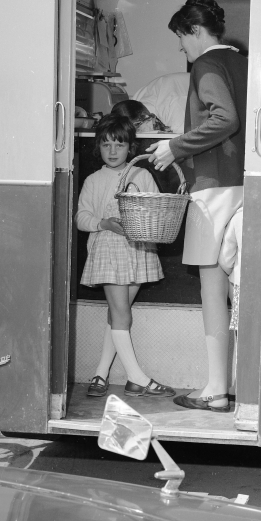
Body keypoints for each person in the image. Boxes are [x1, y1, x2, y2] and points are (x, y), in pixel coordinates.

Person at [148, 0, 247, 412]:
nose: (181, 49)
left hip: (212, 185)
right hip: (244, 181)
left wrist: (175, 147)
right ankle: (237, 382)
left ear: (193, 31)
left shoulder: (206, 64)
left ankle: (216, 390)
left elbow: (224, 119)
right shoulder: (243, 61)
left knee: (212, 286)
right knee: (239, 282)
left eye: (180, 38)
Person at [76, 114, 174, 399]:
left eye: (119, 145)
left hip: (137, 250)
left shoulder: (141, 175)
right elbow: (81, 217)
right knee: (122, 314)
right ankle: (137, 378)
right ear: (99, 148)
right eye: (106, 145)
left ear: (130, 147)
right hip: (107, 251)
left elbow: (155, 209)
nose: (113, 151)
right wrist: (104, 223)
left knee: (117, 314)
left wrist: (137, 222)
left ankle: (100, 373)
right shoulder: (94, 180)